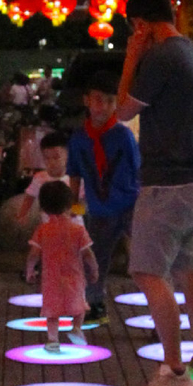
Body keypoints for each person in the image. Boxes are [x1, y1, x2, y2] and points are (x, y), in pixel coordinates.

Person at [117, 0, 193, 386]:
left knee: (147, 272)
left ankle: (174, 370)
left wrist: (131, 57)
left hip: (165, 183)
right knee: (188, 270)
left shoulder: (160, 57)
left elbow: (122, 111)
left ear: (140, 25)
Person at [67, 76, 140, 318]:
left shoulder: (123, 135)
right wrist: (73, 205)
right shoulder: (79, 138)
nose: (104, 106)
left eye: (110, 101)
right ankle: (95, 302)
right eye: (98, 100)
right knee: (96, 258)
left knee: (145, 256)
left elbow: (138, 170)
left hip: (130, 205)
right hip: (99, 210)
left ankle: (160, 305)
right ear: (87, 100)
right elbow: (74, 172)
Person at [25, 179, 98, 351]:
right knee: (79, 305)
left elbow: (34, 254)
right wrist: (94, 269)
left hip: (51, 279)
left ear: (43, 208)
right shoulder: (78, 230)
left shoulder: (43, 230)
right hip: (74, 276)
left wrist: (29, 270)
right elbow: (88, 254)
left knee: (51, 310)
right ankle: (76, 328)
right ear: (69, 205)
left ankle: (52, 340)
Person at [17, 130, 70, 226]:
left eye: (56, 157)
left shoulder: (76, 179)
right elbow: (29, 197)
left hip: (73, 227)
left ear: (68, 155)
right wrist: (22, 215)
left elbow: (82, 201)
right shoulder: (39, 178)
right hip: (48, 226)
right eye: (47, 158)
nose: (51, 162)